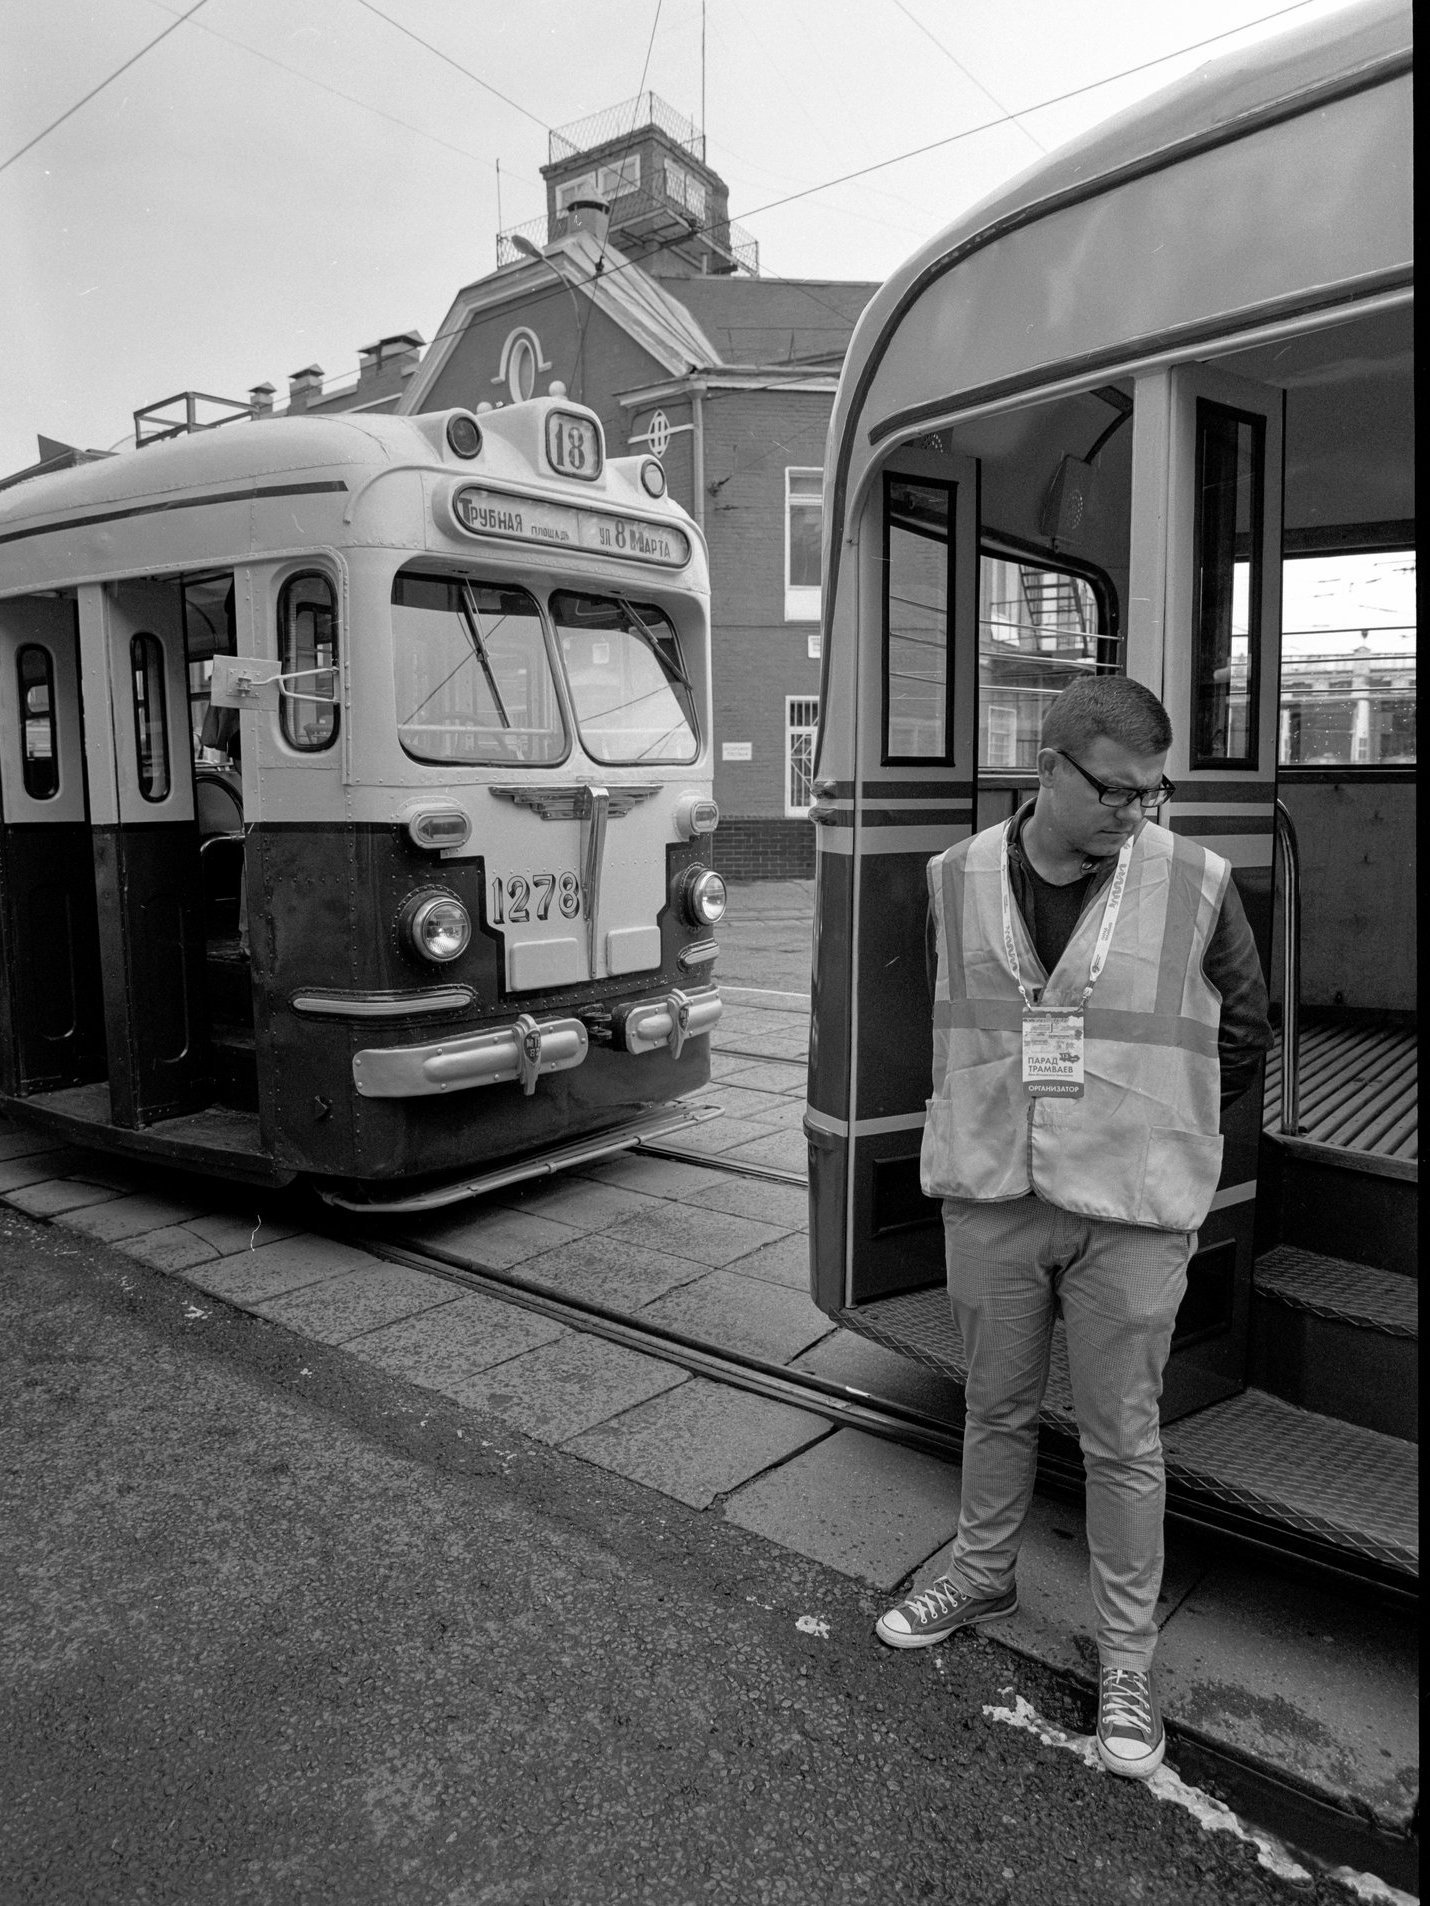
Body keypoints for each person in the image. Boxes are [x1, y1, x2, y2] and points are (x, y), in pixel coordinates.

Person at [875, 676, 1269, 1780]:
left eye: (1151, 792)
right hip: (995, 1189)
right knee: (991, 1403)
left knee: (1121, 1439)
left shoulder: (1194, 880)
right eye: (1113, 791)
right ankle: (979, 1568)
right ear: (1044, 767)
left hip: (1130, 1208)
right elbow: (944, 1012)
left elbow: (1243, 1033)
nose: (1134, 813)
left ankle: (1128, 1660)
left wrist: (1157, 1126)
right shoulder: (950, 878)